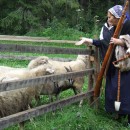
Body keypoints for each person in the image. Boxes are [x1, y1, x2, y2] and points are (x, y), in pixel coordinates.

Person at [75, 5, 130, 126]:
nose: (108, 19)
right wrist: (88, 40)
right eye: (108, 16)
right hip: (112, 66)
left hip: (124, 65)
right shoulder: (107, 28)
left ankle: (128, 117)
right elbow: (103, 43)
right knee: (113, 90)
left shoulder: (126, 25)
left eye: (111, 17)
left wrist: (120, 41)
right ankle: (117, 114)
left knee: (125, 91)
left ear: (117, 17)